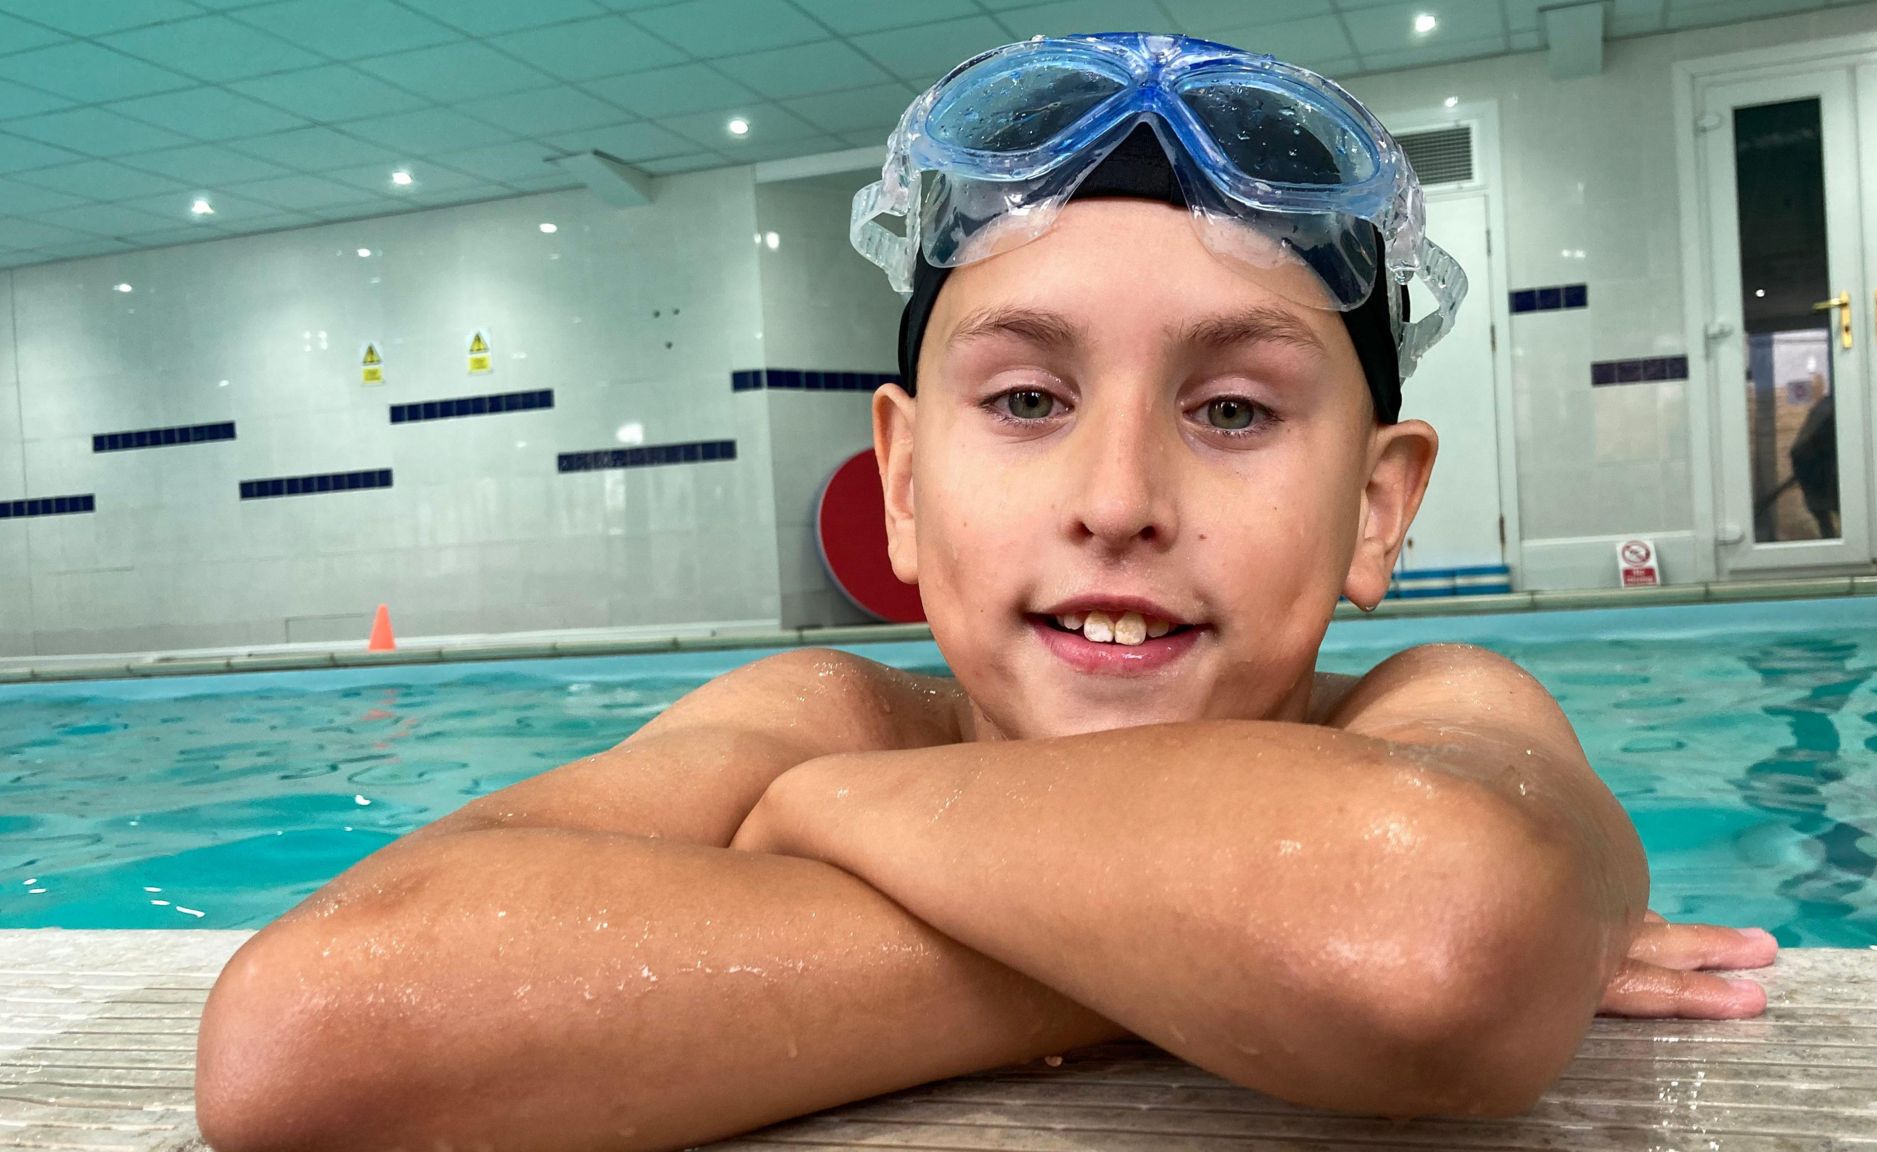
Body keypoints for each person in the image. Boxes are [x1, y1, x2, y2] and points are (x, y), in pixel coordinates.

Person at [193, 33, 1778, 1152]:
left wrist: (831, 818)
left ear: (1377, 507)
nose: (1115, 501)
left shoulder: (1439, 710)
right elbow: (305, 1036)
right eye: (1026, 400)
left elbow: (1432, 940)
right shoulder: (827, 710)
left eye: (1232, 410)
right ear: (899, 480)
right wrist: (1207, 956)